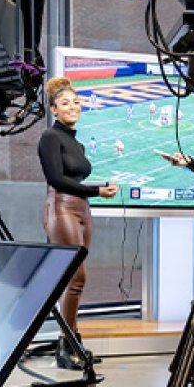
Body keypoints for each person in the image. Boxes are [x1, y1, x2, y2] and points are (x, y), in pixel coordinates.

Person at [37, 76, 119, 369]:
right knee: (76, 277)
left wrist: (98, 189)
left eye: (76, 102)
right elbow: (56, 179)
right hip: (61, 208)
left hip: (83, 208)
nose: (72, 107)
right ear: (53, 108)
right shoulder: (50, 136)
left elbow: (75, 178)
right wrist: (97, 190)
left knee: (75, 279)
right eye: (65, 103)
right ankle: (67, 341)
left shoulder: (77, 143)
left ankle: (69, 340)